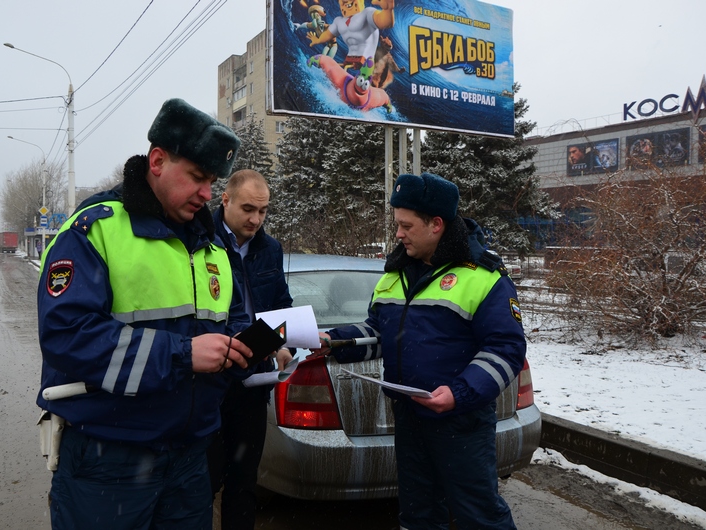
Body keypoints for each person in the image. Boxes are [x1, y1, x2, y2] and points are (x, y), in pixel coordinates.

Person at [36, 98, 255, 530]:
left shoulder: (212, 249)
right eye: (196, 177)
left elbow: (230, 328)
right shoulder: (95, 229)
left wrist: (253, 351)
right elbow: (67, 336)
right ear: (157, 161)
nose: (207, 194)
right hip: (108, 464)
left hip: (190, 462)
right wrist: (181, 354)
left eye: (212, 181)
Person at [312, 173, 526, 529]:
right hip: (410, 418)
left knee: (479, 516)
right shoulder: (394, 274)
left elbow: (506, 349)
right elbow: (379, 333)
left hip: (462, 422)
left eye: (406, 226)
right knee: (419, 513)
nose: (398, 234)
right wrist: (334, 341)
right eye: (397, 225)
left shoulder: (483, 276)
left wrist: (458, 394)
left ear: (436, 225)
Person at [208, 169, 294, 530]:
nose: (256, 219)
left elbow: (280, 306)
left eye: (263, 211)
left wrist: (284, 344)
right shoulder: (200, 241)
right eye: (248, 209)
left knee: (244, 484)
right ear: (224, 199)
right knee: (203, 482)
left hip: (254, 384)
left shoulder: (270, 249)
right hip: (209, 383)